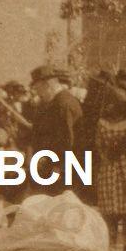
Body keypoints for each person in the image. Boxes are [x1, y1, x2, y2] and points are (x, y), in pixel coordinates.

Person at [95, 73, 126, 251]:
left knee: (109, 212)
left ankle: (111, 246)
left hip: (108, 168)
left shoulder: (102, 123)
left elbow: (99, 146)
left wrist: (106, 156)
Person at [29, 64, 82, 194]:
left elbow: (68, 140)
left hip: (62, 171)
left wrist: (60, 167)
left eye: (38, 89)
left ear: (47, 85)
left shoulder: (62, 104)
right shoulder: (56, 102)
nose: (37, 94)